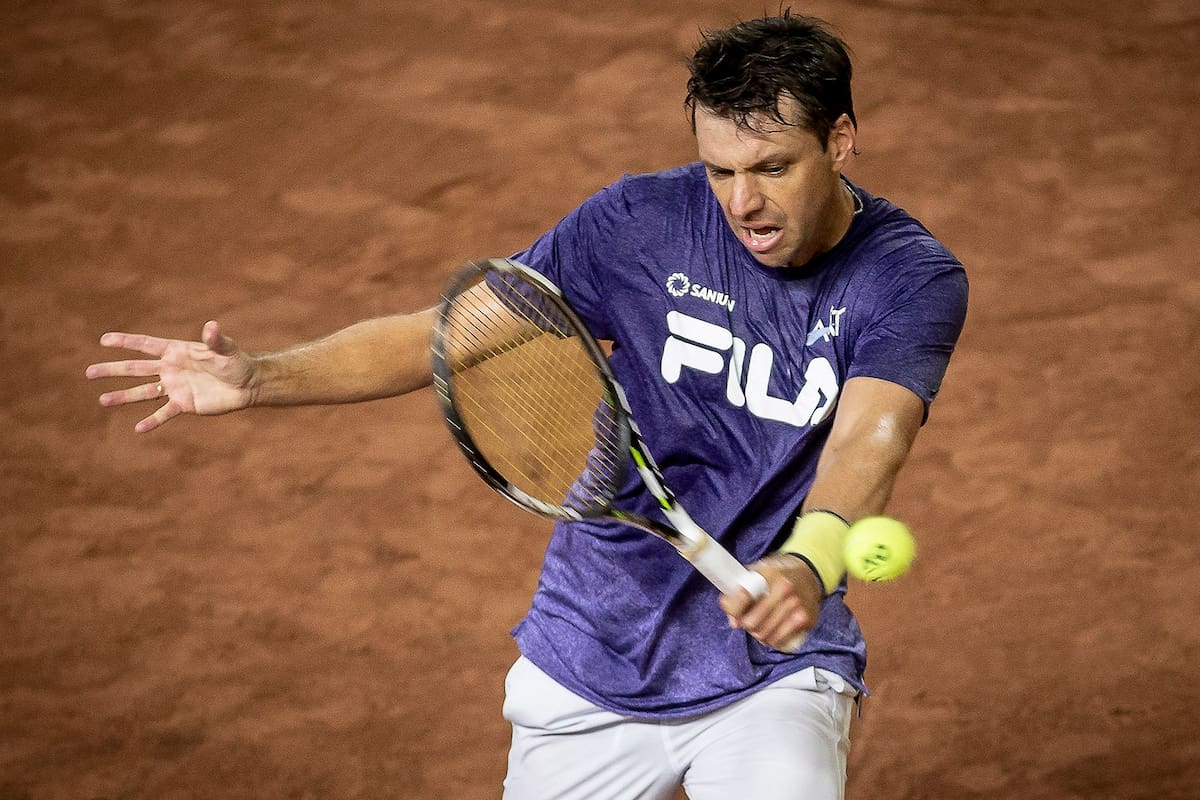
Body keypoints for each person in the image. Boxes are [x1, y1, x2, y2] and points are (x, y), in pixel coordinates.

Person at [86, 11, 967, 800]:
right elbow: (450, 334)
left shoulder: (909, 278)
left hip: (774, 666)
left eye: (772, 168)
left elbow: (871, 435)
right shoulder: (637, 224)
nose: (743, 203)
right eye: (719, 171)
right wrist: (259, 378)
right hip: (593, 642)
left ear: (840, 140)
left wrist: (810, 560)